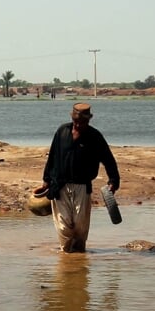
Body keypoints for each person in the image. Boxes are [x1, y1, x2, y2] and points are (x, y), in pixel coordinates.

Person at [39, 102, 119, 254]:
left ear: (88, 120)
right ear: (72, 118)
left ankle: (79, 252)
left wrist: (113, 181)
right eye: (76, 121)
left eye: (82, 122)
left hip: (82, 186)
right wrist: (46, 180)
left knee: (80, 224)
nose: (78, 124)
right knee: (63, 224)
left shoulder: (95, 136)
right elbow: (53, 156)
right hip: (59, 185)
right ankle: (66, 252)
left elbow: (108, 160)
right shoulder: (62, 131)